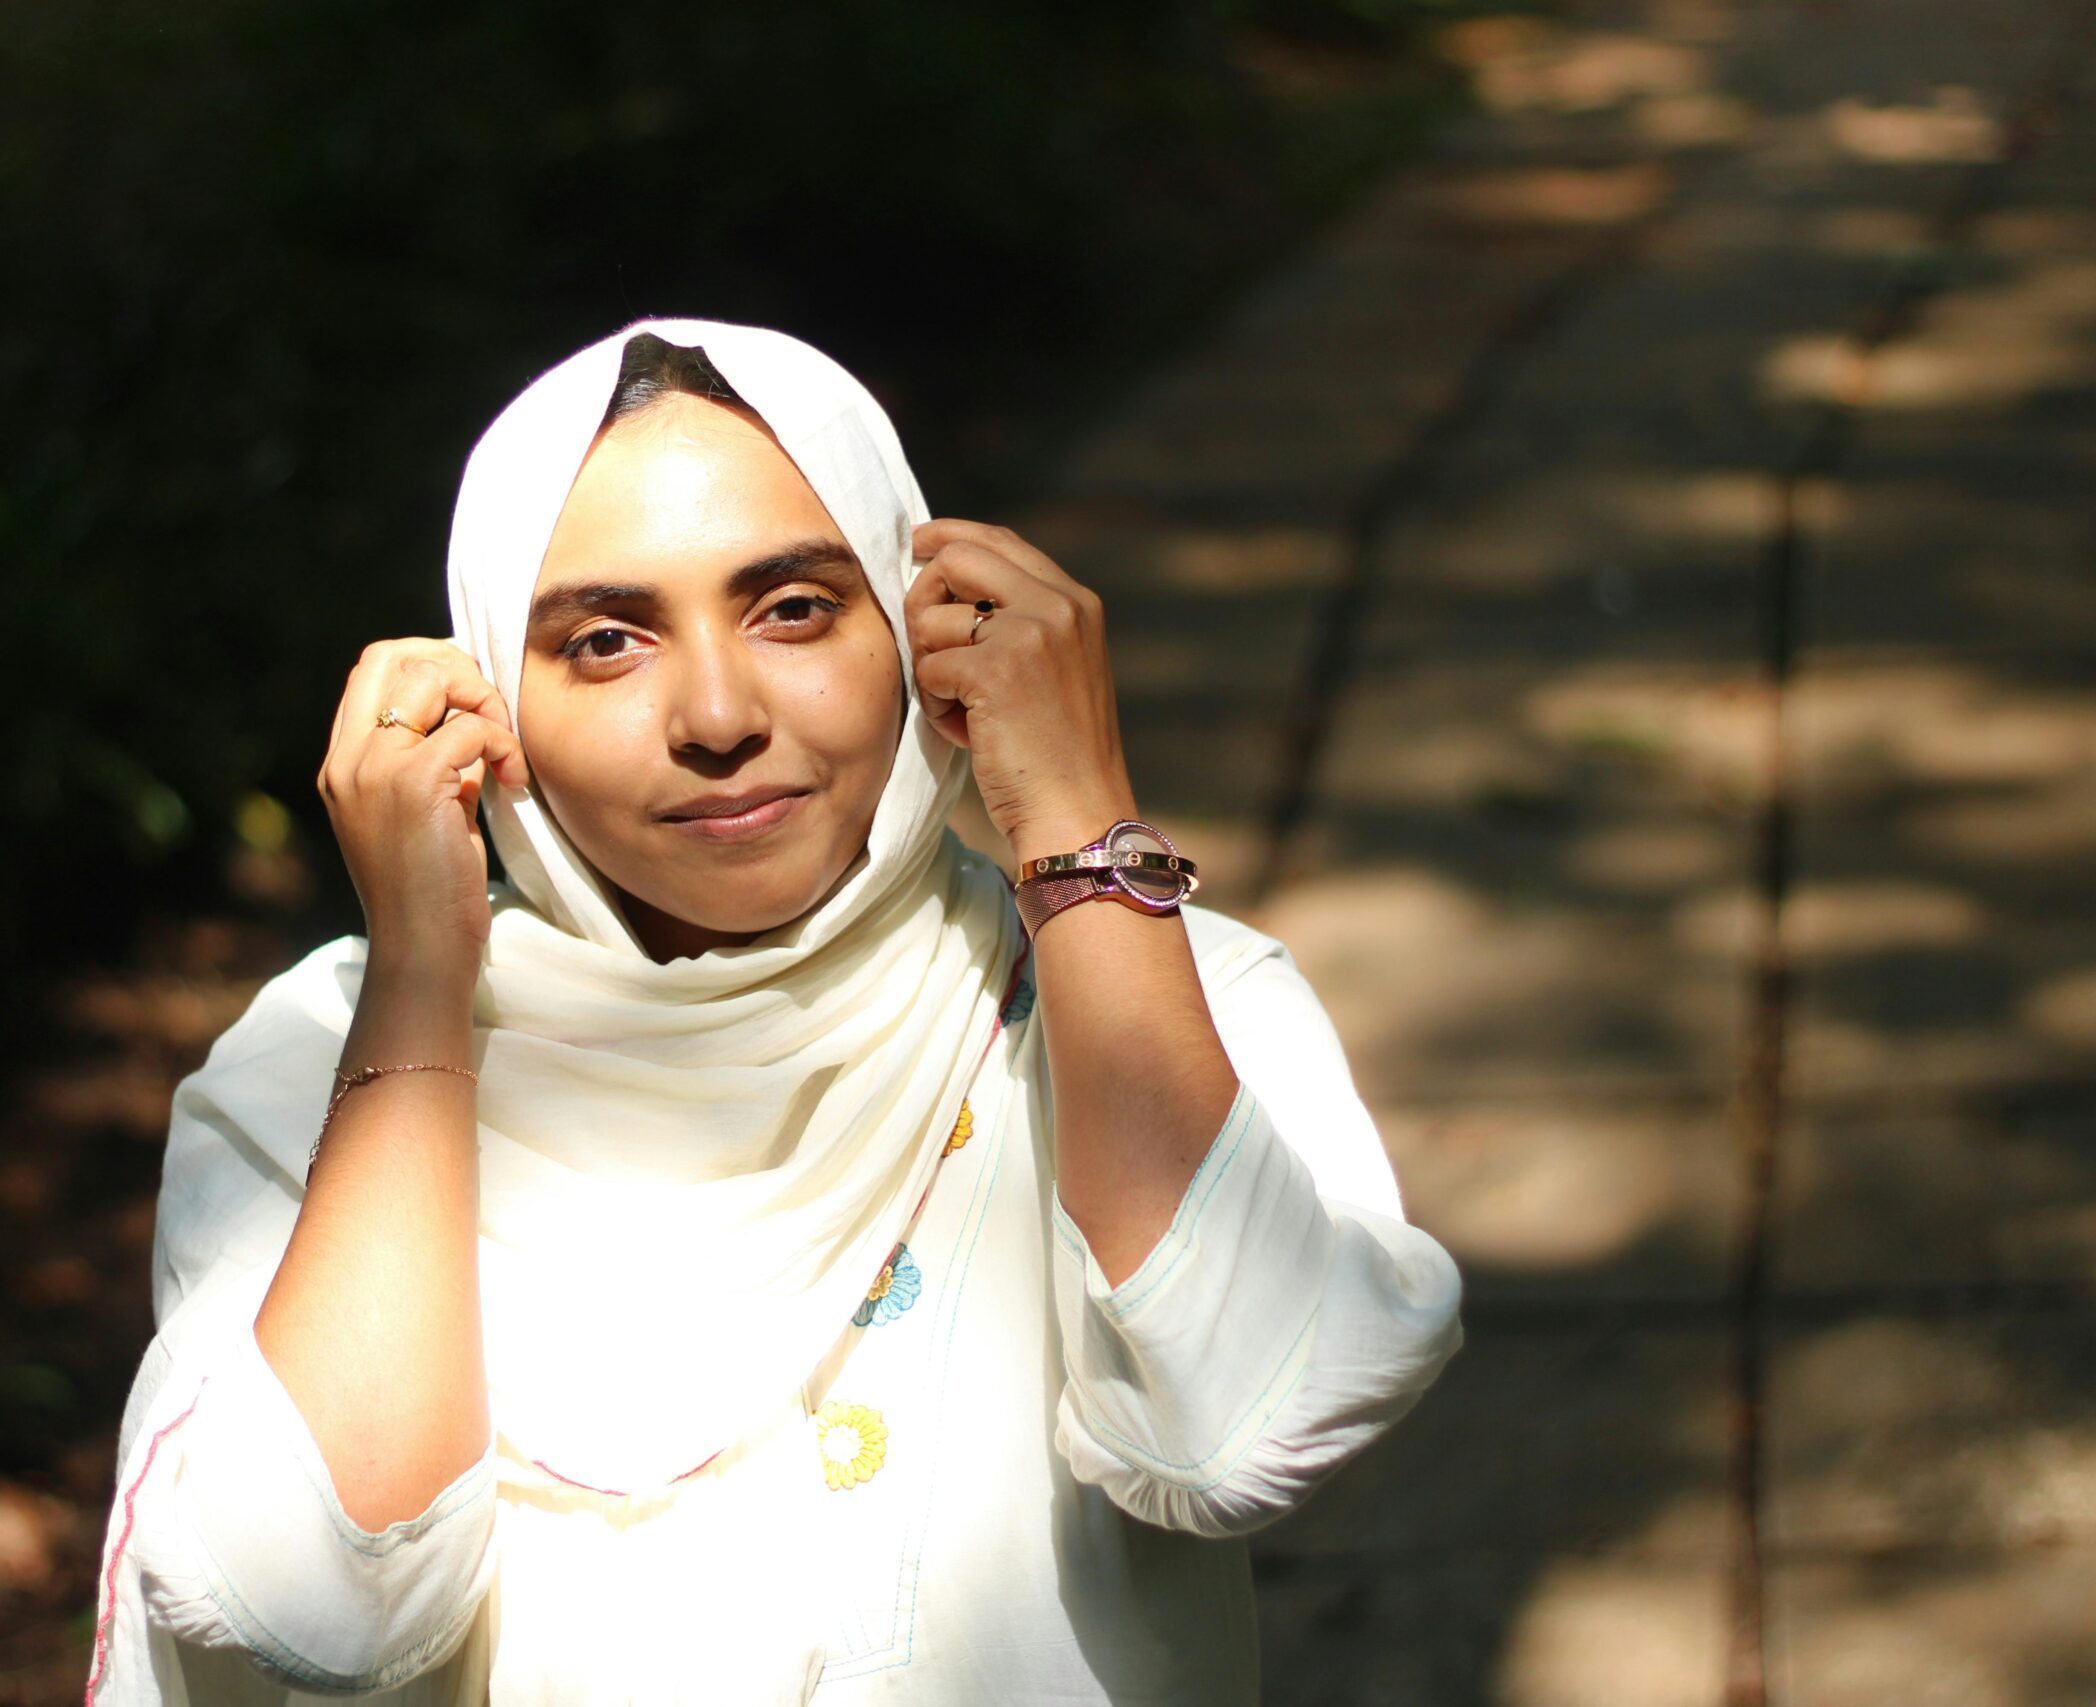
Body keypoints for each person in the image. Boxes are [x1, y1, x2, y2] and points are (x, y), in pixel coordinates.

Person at [85, 317, 1465, 1705]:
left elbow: (1243, 1433)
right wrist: (423, 978)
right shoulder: (318, 1067)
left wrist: (1081, 825)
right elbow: (327, 1605)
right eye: (607, 640)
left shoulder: (1161, 996)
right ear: (494, 697)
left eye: (794, 607)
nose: (718, 711)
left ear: (918, 636)